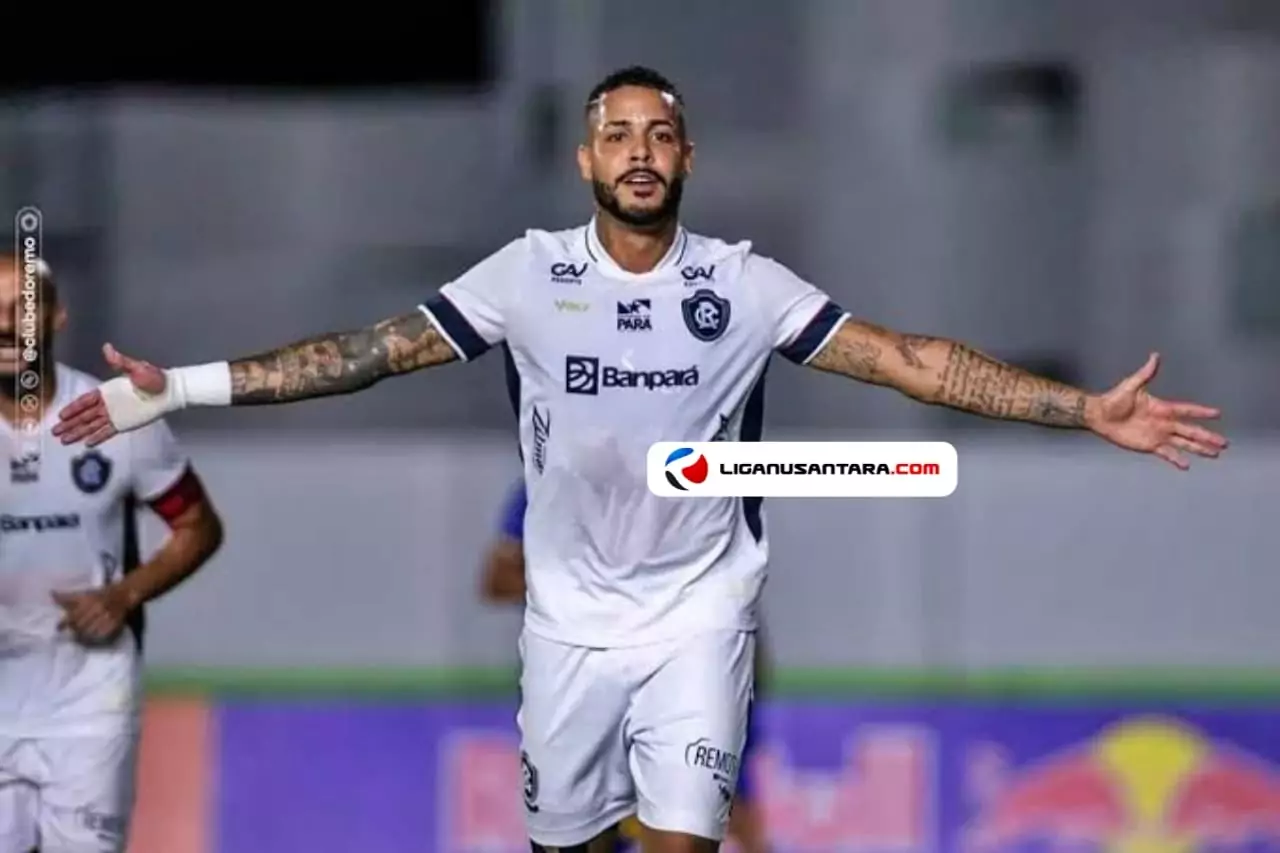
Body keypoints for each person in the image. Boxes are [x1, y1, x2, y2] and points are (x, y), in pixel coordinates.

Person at [52, 65, 1226, 852]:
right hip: (568, 626)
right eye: (616, 134)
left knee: (680, 837)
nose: (638, 151)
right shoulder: (525, 275)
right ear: (585, 162)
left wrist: (1084, 409)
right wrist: (185, 385)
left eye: (658, 134)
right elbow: (365, 354)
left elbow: (910, 361)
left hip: (698, 617)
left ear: (687, 158)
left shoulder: (742, 284)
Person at [0, 254, 224, 853]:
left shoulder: (117, 417)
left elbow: (198, 527)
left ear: (57, 317)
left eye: (21, 309)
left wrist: (124, 595)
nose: (5, 325)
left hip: (87, 699)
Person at [481, 480, 772, 852]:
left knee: (714, 804)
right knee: (591, 821)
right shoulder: (555, 473)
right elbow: (497, 579)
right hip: (583, 676)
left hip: (689, 663)